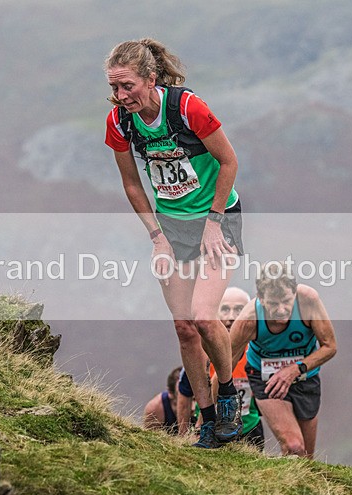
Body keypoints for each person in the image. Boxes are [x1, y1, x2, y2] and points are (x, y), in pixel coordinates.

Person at [104, 39, 244, 448]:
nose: (120, 95)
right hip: (172, 228)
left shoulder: (187, 108)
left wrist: (214, 223)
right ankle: (207, 420)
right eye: (115, 87)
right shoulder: (120, 121)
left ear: (150, 79)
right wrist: (156, 237)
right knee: (184, 328)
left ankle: (229, 394)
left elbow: (229, 162)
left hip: (217, 220)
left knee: (203, 316)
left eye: (127, 85)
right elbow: (131, 183)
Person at [229, 262, 337, 459]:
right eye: (273, 304)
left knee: (306, 457)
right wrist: (206, 417)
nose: (281, 310)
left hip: (305, 377)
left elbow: (330, 346)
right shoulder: (249, 319)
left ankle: (291, 485)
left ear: (295, 292)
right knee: (294, 447)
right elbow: (224, 368)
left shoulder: (308, 301)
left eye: (286, 301)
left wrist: (294, 370)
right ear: (260, 298)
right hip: (265, 377)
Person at [176, 287, 266, 451]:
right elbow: (184, 393)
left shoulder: (256, 352)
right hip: (208, 429)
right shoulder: (201, 354)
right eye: (225, 309)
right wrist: (184, 435)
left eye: (239, 309)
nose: (231, 317)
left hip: (250, 429)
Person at [143, 367, 182, 434]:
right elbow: (149, 439)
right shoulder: (155, 408)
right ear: (171, 393)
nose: (192, 408)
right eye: (182, 395)